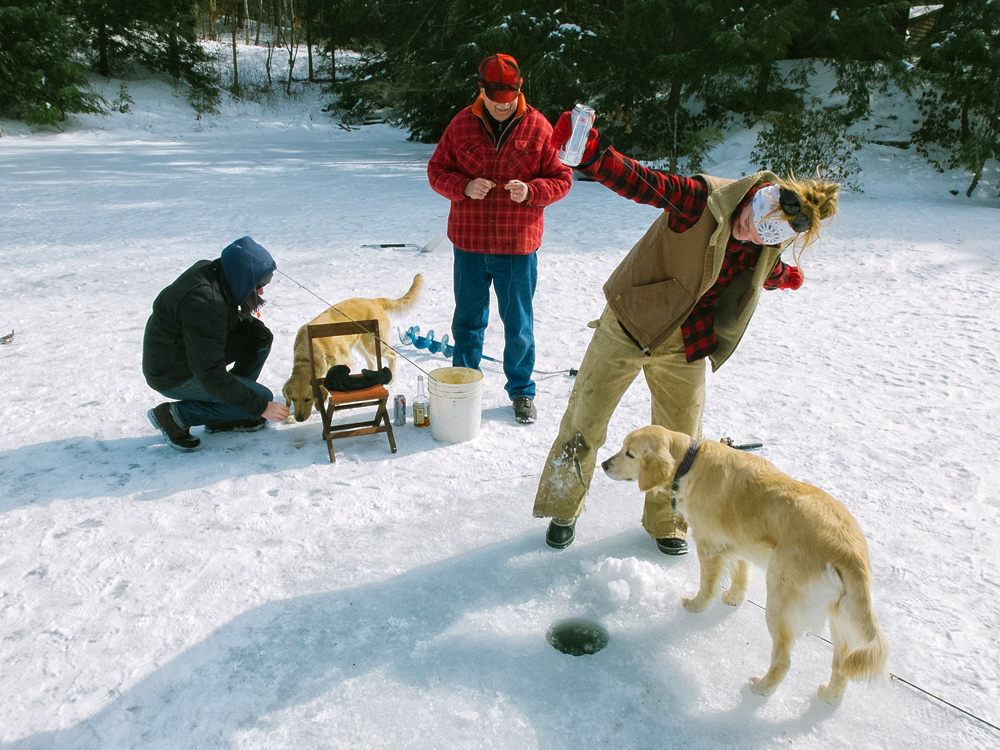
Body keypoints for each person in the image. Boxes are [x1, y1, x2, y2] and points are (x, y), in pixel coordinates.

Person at [534, 113, 840, 553]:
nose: (748, 233)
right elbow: (646, 183)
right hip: (630, 321)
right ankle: (564, 506)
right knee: (585, 418)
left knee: (681, 441)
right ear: (755, 198)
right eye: (751, 219)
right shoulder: (703, 200)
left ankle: (668, 521)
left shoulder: (765, 242)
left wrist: (781, 275)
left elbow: (750, 265)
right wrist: (594, 157)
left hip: (688, 340)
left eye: (762, 236)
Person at [427, 53, 572, 424]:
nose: (502, 106)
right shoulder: (461, 125)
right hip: (470, 245)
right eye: (495, 99)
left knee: (518, 325)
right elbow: (436, 170)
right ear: (482, 90)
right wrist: (464, 185)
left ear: (519, 91)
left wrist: (533, 191)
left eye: (509, 99)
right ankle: (462, 387)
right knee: (468, 323)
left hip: (517, 247)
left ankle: (522, 392)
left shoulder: (539, 127)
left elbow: (562, 179)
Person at [143, 236, 290, 452]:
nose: (261, 291)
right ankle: (176, 417)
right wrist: (260, 407)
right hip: (172, 372)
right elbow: (209, 372)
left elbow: (219, 320)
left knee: (258, 337)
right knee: (262, 399)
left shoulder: (216, 272)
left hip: (187, 352)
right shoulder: (204, 302)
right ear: (241, 277)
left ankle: (226, 413)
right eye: (259, 284)